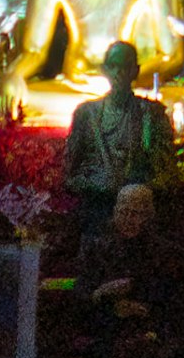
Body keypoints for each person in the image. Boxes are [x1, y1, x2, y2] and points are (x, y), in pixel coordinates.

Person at [58, 39, 171, 269]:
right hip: (98, 209)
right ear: (104, 70)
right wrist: (98, 183)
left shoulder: (151, 114)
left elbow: (167, 174)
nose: (119, 73)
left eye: (125, 66)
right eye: (113, 66)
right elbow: (69, 175)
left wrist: (136, 192)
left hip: (138, 215)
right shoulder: (87, 114)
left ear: (136, 71)